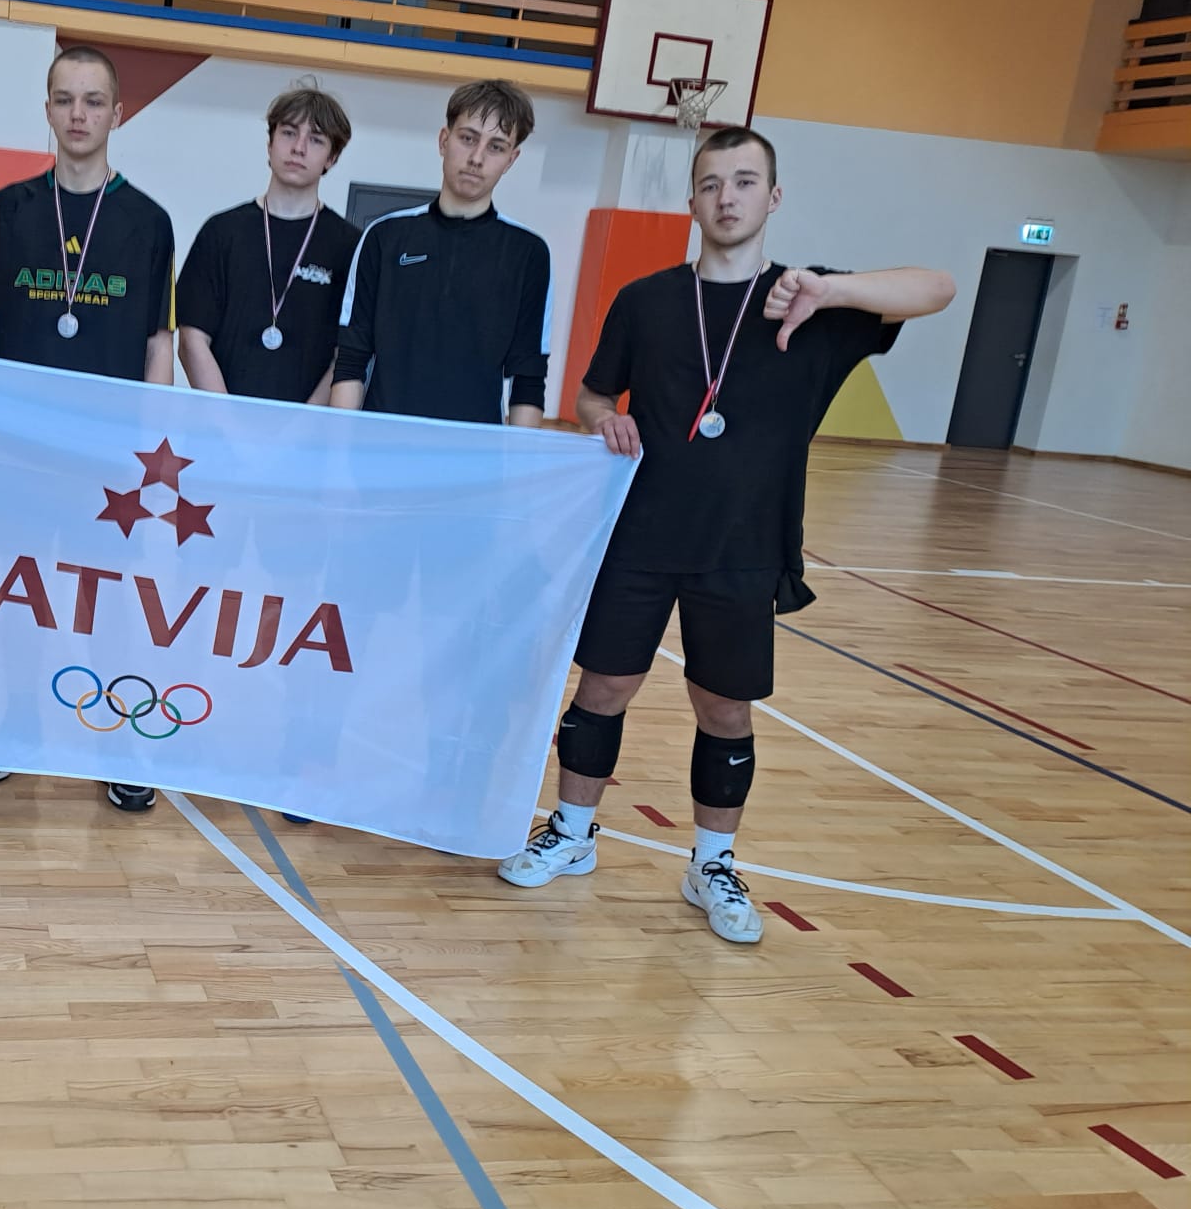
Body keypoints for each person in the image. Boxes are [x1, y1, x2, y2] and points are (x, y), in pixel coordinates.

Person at [497, 125, 953, 943]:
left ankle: (711, 864)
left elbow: (939, 287)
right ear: (693, 201)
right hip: (639, 534)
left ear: (772, 197)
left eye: (744, 181)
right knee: (602, 690)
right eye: (711, 183)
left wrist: (831, 290)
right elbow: (595, 394)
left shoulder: (812, 306)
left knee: (724, 707)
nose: (727, 197)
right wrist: (603, 420)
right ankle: (571, 833)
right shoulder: (646, 300)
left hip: (745, 544)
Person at [0, 45, 175, 814]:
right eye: (65, 99)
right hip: (21, 452)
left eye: (93, 101)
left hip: (109, 460)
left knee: (110, 601)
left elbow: (157, 344)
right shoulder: (10, 209)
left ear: (117, 113)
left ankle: (116, 736)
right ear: (48, 110)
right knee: (20, 594)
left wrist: (150, 456)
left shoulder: (148, 221)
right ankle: (16, 723)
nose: (79, 114)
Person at [330, 79, 551, 426]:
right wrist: (339, 447)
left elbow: (528, 381)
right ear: (444, 140)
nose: (476, 158)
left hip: (474, 452)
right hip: (380, 447)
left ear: (511, 159)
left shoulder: (529, 254)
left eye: (495, 147)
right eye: (468, 138)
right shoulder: (384, 237)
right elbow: (351, 360)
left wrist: (520, 459)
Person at [177, 83, 360, 406]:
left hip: (306, 429)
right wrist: (228, 423)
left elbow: (344, 357)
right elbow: (192, 340)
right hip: (218, 424)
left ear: (331, 158)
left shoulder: (349, 246)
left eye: (316, 140)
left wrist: (303, 426)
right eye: (289, 133)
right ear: (270, 144)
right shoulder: (221, 232)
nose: (299, 148)